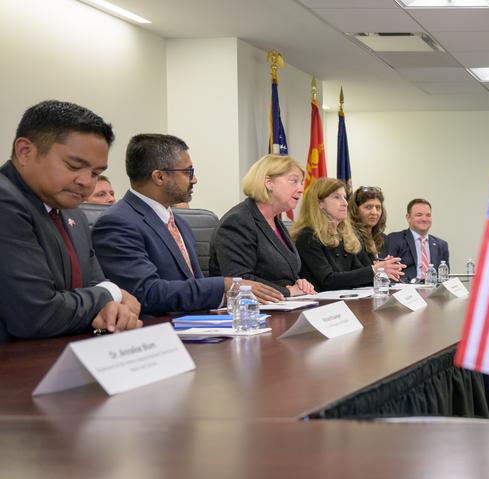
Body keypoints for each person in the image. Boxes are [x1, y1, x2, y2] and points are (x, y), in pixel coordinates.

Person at [93, 134, 283, 315]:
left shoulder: (180, 223)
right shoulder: (117, 222)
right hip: (157, 330)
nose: (194, 179)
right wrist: (224, 284)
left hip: (196, 324)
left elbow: (193, 287)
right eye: (188, 172)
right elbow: (147, 293)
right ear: (159, 177)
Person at [0, 100, 141, 340]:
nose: (86, 182)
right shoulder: (6, 201)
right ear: (25, 151)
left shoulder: (73, 213)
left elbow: (96, 286)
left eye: (95, 173)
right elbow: (36, 315)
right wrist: (112, 293)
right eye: (74, 165)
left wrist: (113, 311)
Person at [208, 155, 316, 297]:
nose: (301, 189)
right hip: (248, 307)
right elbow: (240, 280)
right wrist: (288, 291)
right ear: (269, 183)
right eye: (294, 181)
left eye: (301, 183)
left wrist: (299, 282)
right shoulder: (237, 221)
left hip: (279, 304)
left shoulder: (275, 221)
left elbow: (284, 271)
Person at [293, 178, 405, 291]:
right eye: (337, 197)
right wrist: (374, 270)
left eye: (345, 197)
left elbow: (356, 277)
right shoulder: (308, 236)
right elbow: (328, 280)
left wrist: (384, 270)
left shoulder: (344, 236)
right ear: (319, 203)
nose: (345, 203)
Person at [386, 198, 450, 283]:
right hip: (406, 289)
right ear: (408, 217)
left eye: (428, 215)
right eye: (419, 215)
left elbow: (445, 277)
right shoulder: (394, 239)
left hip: (433, 288)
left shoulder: (441, 245)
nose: (424, 219)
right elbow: (387, 272)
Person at [350, 185, 387, 258]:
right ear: (355, 210)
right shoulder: (349, 238)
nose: (374, 212)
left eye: (378, 207)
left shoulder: (383, 238)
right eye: (368, 207)